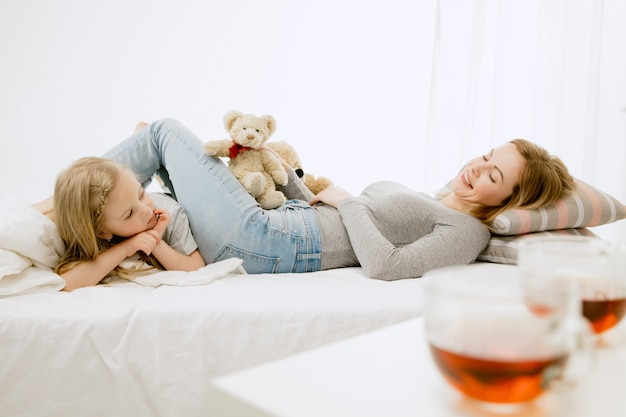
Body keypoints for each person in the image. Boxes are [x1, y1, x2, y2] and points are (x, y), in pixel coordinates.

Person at [95, 118, 575, 281]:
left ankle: (54, 211)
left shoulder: (468, 232)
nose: (476, 166)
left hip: (269, 239)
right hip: (280, 222)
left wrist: (348, 202)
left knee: (161, 134)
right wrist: (288, 178)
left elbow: (386, 266)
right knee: (158, 154)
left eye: (493, 173)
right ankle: (69, 216)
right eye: (487, 155)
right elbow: (331, 207)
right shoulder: (438, 201)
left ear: (511, 199)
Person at [51, 156, 205, 291]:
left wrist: (155, 241)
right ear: (102, 232)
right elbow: (67, 284)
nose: (145, 210)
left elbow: (197, 267)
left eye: (141, 194)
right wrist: (126, 248)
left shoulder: (169, 212)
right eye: (130, 213)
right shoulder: (98, 240)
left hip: (186, 201)